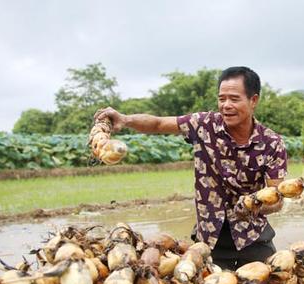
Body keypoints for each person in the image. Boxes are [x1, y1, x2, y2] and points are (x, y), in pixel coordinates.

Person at [94, 66, 287, 270]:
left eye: (234, 99)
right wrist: (125, 119)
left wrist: (253, 205)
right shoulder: (204, 125)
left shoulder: (272, 143)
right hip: (209, 243)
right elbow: (159, 124)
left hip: (253, 240)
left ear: (253, 100)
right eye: (222, 99)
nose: (226, 105)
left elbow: (277, 199)